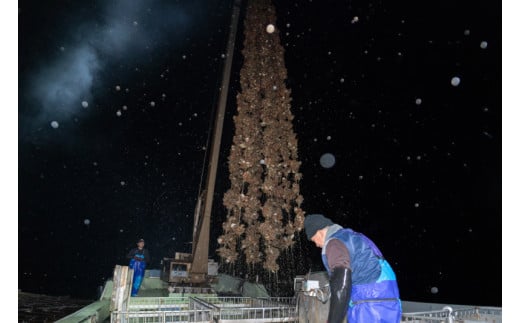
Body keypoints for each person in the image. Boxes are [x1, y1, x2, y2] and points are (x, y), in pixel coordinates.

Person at [304, 214, 401, 323]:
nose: (316, 245)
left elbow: (341, 284)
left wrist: (333, 320)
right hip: (390, 303)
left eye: (314, 240)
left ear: (319, 232)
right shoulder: (354, 237)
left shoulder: (334, 243)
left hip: (368, 306)